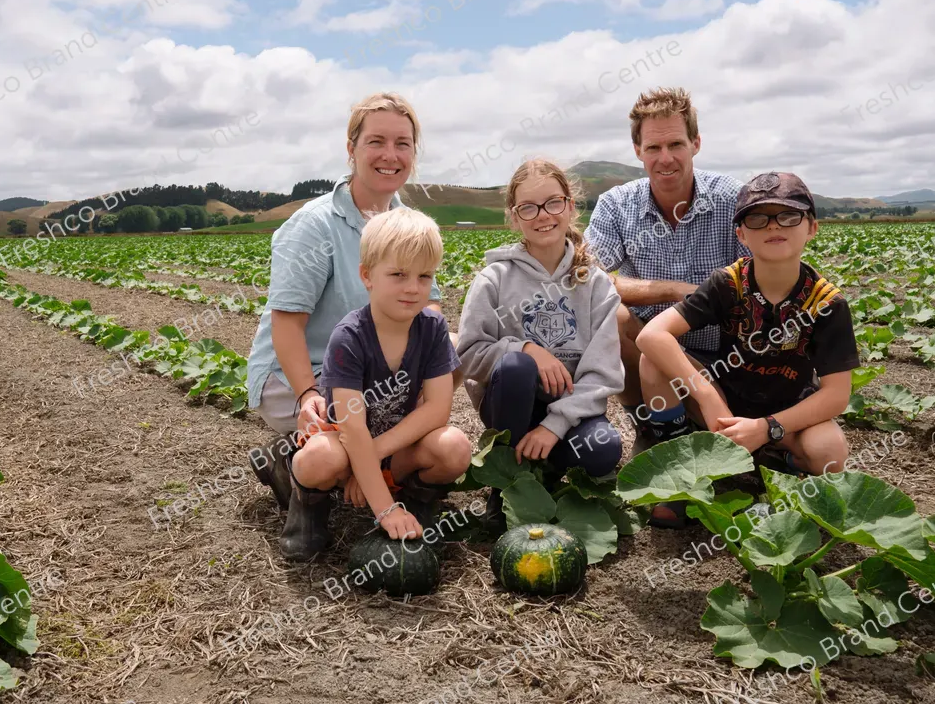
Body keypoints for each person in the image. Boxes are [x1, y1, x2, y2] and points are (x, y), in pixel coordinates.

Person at [245, 92, 454, 513]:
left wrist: (427, 363)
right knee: (335, 450)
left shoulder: (406, 223)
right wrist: (307, 395)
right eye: (376, 141)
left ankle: (370, 463)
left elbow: (429, 311)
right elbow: (287, 325)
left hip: (374, 372)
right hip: (309, 371)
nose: (390, 155)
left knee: (452, 344)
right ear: (351, 149)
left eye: (403, 143)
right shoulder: (314, 225)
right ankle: (295, 465)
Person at [634, 172, 855, 527]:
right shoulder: (727, 283)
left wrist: (766, 428)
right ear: (741, 233)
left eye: (788, 215)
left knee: (829, 452)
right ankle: (680, 466)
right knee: (652, 362)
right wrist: (707, 397)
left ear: (812, 227)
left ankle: (774, 464)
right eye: (757, 218)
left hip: (786, 416)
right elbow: (652, 336)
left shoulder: (826, 302)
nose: (773, 227)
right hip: (722, 410)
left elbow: (836, 396)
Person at [280, 208, 470, 561]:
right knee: (322, 456)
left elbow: (437, 410)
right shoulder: (349, 338)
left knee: (454, 447)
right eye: (398, 274)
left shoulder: (431, 329)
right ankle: (307, 503)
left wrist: (379, 456)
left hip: (388, 448)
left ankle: (417, 499)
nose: (413, 288)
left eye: (424, 276)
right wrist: (385, 511)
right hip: (344, 449)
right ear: (367, 275)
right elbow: (352, 434)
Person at [458, 159, 626, 527]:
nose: (542, 215)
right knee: (518, 367)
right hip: (510, 407)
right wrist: (527, 349)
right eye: (528, 208)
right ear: (515, 217)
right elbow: (469, 355)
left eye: (553, 202)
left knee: (604, 447)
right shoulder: (494, 279)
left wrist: (554, 425)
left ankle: (541, 473)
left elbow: (603, 375)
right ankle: (506, 485)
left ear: (569, 206)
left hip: (570, 415)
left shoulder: (595, 284)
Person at [584, 87, 746, 445]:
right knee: (611, 315)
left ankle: (705, 420)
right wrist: (676, 291)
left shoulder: (732, 199)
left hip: (724, 356)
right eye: (654, 148)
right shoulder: (616, 205)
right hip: (649, 351)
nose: (665, 158)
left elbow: (757, 279)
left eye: (676, 144)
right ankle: (649, 423)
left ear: (696, 143)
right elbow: (589, 279)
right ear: (638, 150)